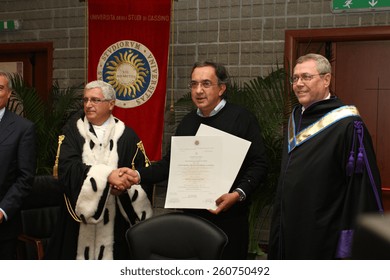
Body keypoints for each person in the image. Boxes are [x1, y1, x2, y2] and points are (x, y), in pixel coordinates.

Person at [126, 61, 268, 259]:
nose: (198, 90)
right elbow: (170, 164)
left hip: (229, 220)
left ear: (221, 89)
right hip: (192, 222)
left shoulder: (241, 118)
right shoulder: (188, 122)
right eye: (194, 84)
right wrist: (137, 175)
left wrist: (238, 194)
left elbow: (258, 164)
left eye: (206, 84)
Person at [268, 53, 384, 260]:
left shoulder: (348, 125)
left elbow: (361, 191)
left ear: (326, 79)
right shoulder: (295, 118)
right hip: (288, 224)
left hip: (323, 229)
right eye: (295, 78)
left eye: (306, 77)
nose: (299, 84)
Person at [45, 80, 153, 260]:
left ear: (111, 104)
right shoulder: (71, 133)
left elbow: (143, 176)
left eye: (95, 100)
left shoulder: (127, 136)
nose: (88, 105)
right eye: (85, 100)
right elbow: (67, 170)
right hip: (77, 225)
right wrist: (107, 176)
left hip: (116, 224)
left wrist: (123, 188)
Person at [0, 70, 36, 259]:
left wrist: (2, 210)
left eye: (0, 88)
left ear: (9, 94)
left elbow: (25, 177)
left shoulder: (23, 129)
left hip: (3, 227)